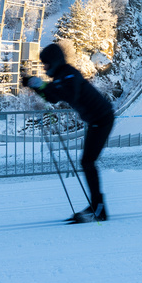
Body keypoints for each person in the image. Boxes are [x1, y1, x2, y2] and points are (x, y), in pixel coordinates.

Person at [25, 42, 114, 223]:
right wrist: (33, 85)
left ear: (55, 62)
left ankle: (99, 208)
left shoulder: (69, 74)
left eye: (46, 64)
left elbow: (67, 95)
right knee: (87, 162)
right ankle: (97, 206)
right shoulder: (61, 76)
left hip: (102, 119)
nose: (45, 67)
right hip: (96, 121)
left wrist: (40, 84)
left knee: (88, 162)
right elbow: (52, 96)